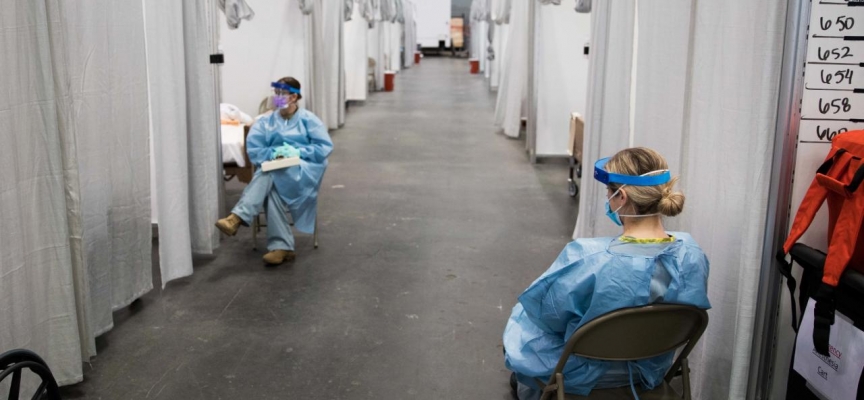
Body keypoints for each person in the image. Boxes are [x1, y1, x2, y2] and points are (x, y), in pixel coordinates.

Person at [503, 147, 711, 399]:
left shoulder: (588, 257)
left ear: (621, 196)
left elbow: (547, 316)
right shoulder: (691, 253)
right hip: (649, 368)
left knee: (523, 317)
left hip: (585, 375)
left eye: (608, 193)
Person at [216, 77, 333, 265]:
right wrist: (276, 154)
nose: (277, 97)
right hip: (276, 171)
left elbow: (324, 148)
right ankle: (282, 248)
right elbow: (255, 151)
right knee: (272, 190)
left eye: (282, 93)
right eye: (275, 93)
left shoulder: (309, 120)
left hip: (303, 171)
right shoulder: (265, 122)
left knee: (269, 172)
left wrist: (298, 152)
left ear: (294, 97)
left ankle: (238, 216)